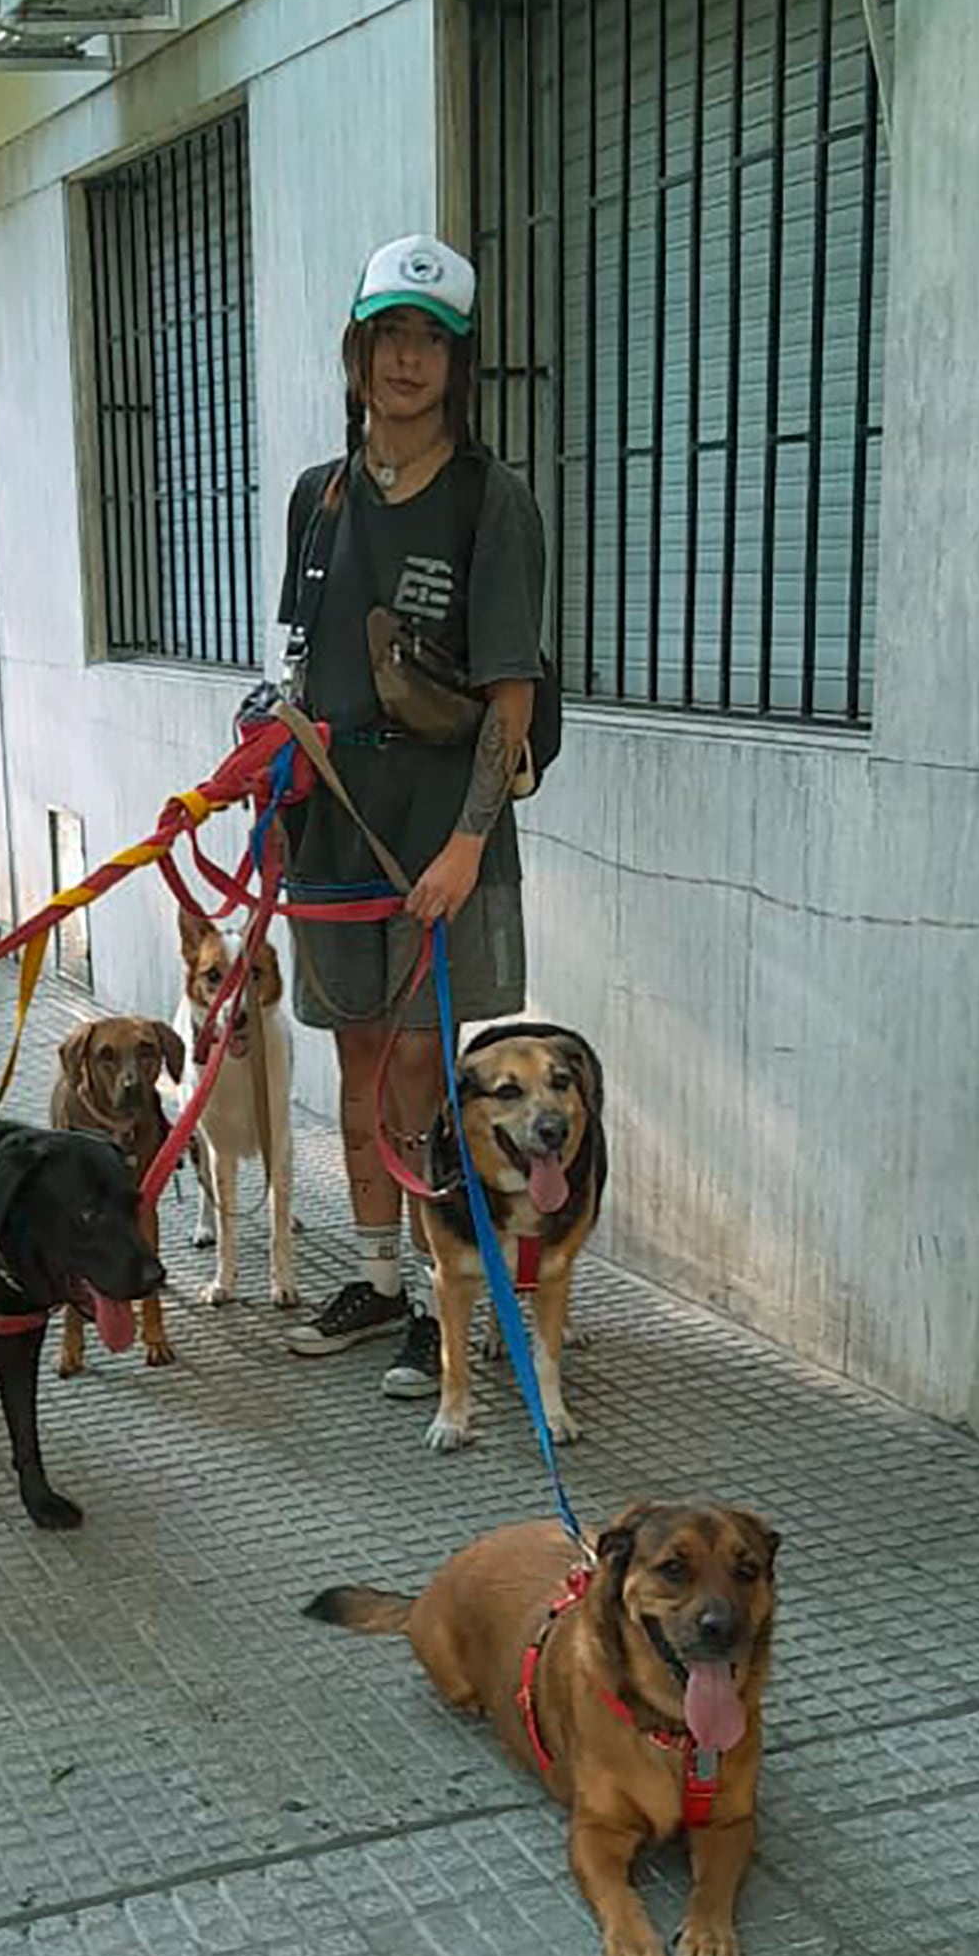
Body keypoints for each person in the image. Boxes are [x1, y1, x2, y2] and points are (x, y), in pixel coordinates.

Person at [278, 234, 546, 1400]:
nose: (406, 359)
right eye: (389, 335)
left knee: (426, 1072)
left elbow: (510, 697)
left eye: (431, 340)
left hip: (441, 833)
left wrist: (467, 845)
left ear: (458, 364)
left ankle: (446, 1298)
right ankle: (379, 1280)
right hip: (335, 827)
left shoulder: (494, 501)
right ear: (358, 350)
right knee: (356, 1061)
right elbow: (301, 661)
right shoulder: (321, 496)